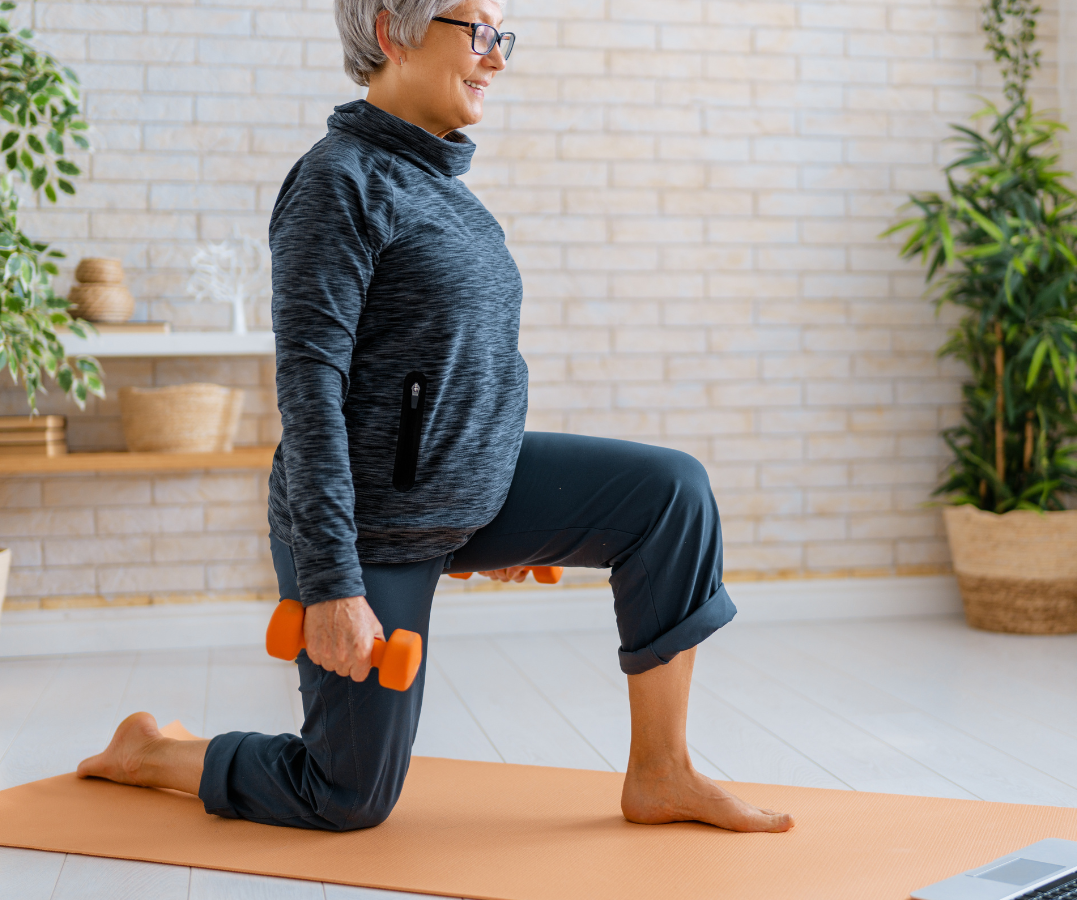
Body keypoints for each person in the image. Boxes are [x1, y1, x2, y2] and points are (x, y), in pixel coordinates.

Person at [76, 0, 793, 835]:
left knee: (672, 495)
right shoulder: (335, 182)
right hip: (367, 527)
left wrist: (501, 511)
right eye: (478, 32)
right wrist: (333, 586)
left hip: (459, 500)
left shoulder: (453, 197)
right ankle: (155, 753)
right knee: (346, 796)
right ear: (394, 31)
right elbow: (309, 393)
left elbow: (466, 373)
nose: (495, 58)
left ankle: (662, 773)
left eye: (502, 39)